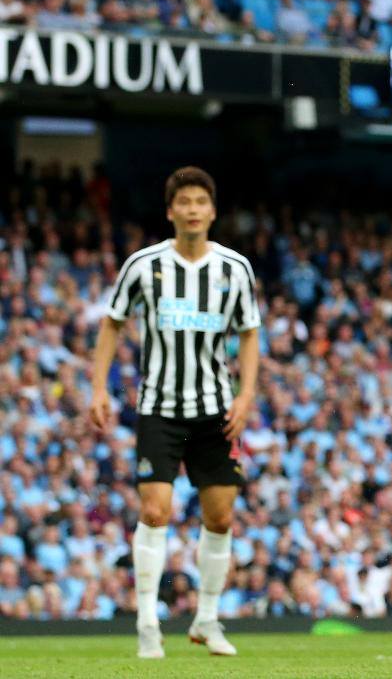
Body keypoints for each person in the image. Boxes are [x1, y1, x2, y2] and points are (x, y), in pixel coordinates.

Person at [88, 166, 261, 659]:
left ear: (211, 210)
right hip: (159, 408)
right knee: (155, 510)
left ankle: (206, 618)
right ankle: (147, 622)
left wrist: (246, 395)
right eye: (182, 201)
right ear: (171, 211)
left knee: (221, 517)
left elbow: (249, 334)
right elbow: (112, 323)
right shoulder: (143, 266)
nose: (191, 209)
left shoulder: (235, 269)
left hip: (215, 411)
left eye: (199, 202)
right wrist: (98, 386)